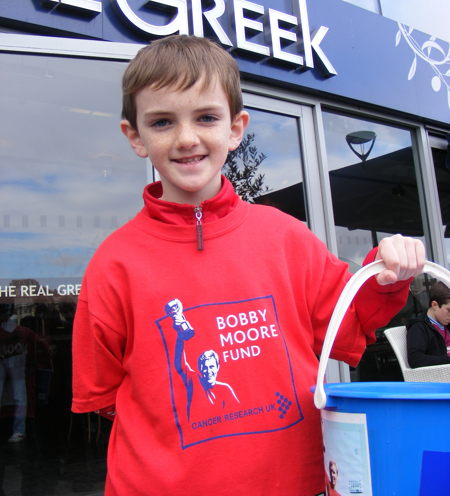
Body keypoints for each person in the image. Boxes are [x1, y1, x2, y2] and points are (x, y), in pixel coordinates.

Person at [71, 35, 425, 496]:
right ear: (135, 136)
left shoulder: (286, 237)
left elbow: (350, 321)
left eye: (206, 117)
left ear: (236, 128)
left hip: (294, 484)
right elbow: (104, 396)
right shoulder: (114, 263)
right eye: (162, 122)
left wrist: (384, 273)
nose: (186, 138)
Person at [407, 281, 450, 368]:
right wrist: (446, 360)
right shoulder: (419, 327)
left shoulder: (446, 323)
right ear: (435, 305)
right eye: (449, 310)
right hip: (440, 376)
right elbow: (416, 359)